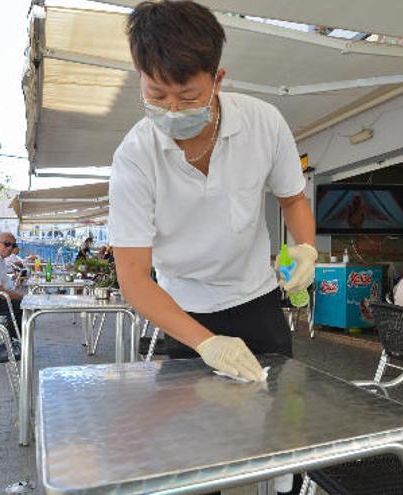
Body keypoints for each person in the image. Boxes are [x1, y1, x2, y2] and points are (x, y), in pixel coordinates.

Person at [110, 4, 316, 491]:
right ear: (139, 77)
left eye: (188, 95)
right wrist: (204, 342)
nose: (173, 110)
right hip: (182, 311)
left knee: (279, 437)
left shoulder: (263, 122)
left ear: (217, 78)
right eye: (156, 95)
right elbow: (135, 279)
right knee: (190, 452)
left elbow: (292, 199)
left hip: (258, 302)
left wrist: (305, 247)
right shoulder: (135, 157)